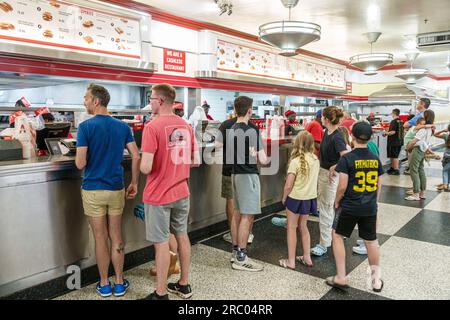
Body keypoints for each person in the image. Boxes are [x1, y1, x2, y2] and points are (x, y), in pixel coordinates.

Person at [75, 84, 141, 298]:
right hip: (115, 188)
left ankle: (104, 284)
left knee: (100, 237)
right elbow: (136, 155)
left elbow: (80, 163)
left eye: (86, 98)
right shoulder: (122, 127)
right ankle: (120, 282)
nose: (84, 102)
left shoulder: (85, 127)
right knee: (116, 236)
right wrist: (135, 183)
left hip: (93, 189)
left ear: (96, 101)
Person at [140, 83, 199, 300]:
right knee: (182, 236)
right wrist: (175, 165)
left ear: (162, 100)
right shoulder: (186, 125)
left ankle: (161, 293)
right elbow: (196, 160)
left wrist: (151, 160)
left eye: (152, 98)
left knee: (161, 243)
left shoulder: (152, 127)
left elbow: (146, 167)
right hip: (182, 192)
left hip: (158, 194)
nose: (151, 102)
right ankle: (184, 284)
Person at [327, 121, 384, 292]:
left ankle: (341, 277)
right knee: (371, 241)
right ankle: (375, 281)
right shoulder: (375, 159)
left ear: (352, 137)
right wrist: (374, 201)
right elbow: (379, 184)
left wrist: (337, 201)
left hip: (350, 206)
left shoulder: (347, 158)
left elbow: (342, 186)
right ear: (370, 138)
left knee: (337, 236)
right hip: (369, 207)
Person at [226, 96, 269, 272]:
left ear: (235, 110)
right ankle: (241, 258)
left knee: (237, 214)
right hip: (248, 175)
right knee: (247, 216)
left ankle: (235, 251)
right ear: (250, 110)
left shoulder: (231, 129)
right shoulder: (252, 131)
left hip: (236, 174)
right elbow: (264, 159)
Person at [278, 131, 319, 269]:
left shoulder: (295, 162)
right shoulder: (315, 159)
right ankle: (307, 257)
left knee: (291, 227)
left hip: (295, 198)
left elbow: (288, 185)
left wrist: (284, 197)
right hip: (309, 198)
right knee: (304, 227)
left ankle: (291, 261)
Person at [311, 106, 348, 257]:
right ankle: (335, 234)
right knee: (326, 207)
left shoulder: (337, 136)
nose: (321, 119)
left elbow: (346, 156)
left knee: (326, 208)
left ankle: (324, 244)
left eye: (322, 117)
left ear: (326, 119)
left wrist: (336, 166)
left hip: (329, 177)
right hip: (323, 173)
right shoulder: (327, 132)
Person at [216, 113, 257, 250]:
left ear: (235, 109)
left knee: (232, 203)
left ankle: (233, 237)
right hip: (248, 171)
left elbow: (218, 145)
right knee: (248, 207)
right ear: (249, 111)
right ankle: (248, 234)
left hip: (229, 169)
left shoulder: (226, 125)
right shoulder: (252, 126)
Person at [405, 110, 435, 201]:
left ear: (425, 116)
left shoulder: (423, 129)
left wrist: (408, 147)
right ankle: (422, 193)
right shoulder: (430, 129)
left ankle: (416, 194)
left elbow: (414, 141)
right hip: (422, 151)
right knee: (421, 170)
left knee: (414, 171)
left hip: (417, 150)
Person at [383, 109, 404, 176]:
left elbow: (393, 132)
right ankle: (392, 168)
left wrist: (386, 133)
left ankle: (396, 170)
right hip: (399, 141)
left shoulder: (394, 121)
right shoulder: (401, 121)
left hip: (394, 142)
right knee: (393, 155)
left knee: (394, 156)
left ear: (393, 113)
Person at [434, 125, 450, 192]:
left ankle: (445, 185)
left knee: (445, 171)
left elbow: (435, 134)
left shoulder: (446, 136)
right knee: (448, 171)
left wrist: (443, 130)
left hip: (447, 157)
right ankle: (446, 184)